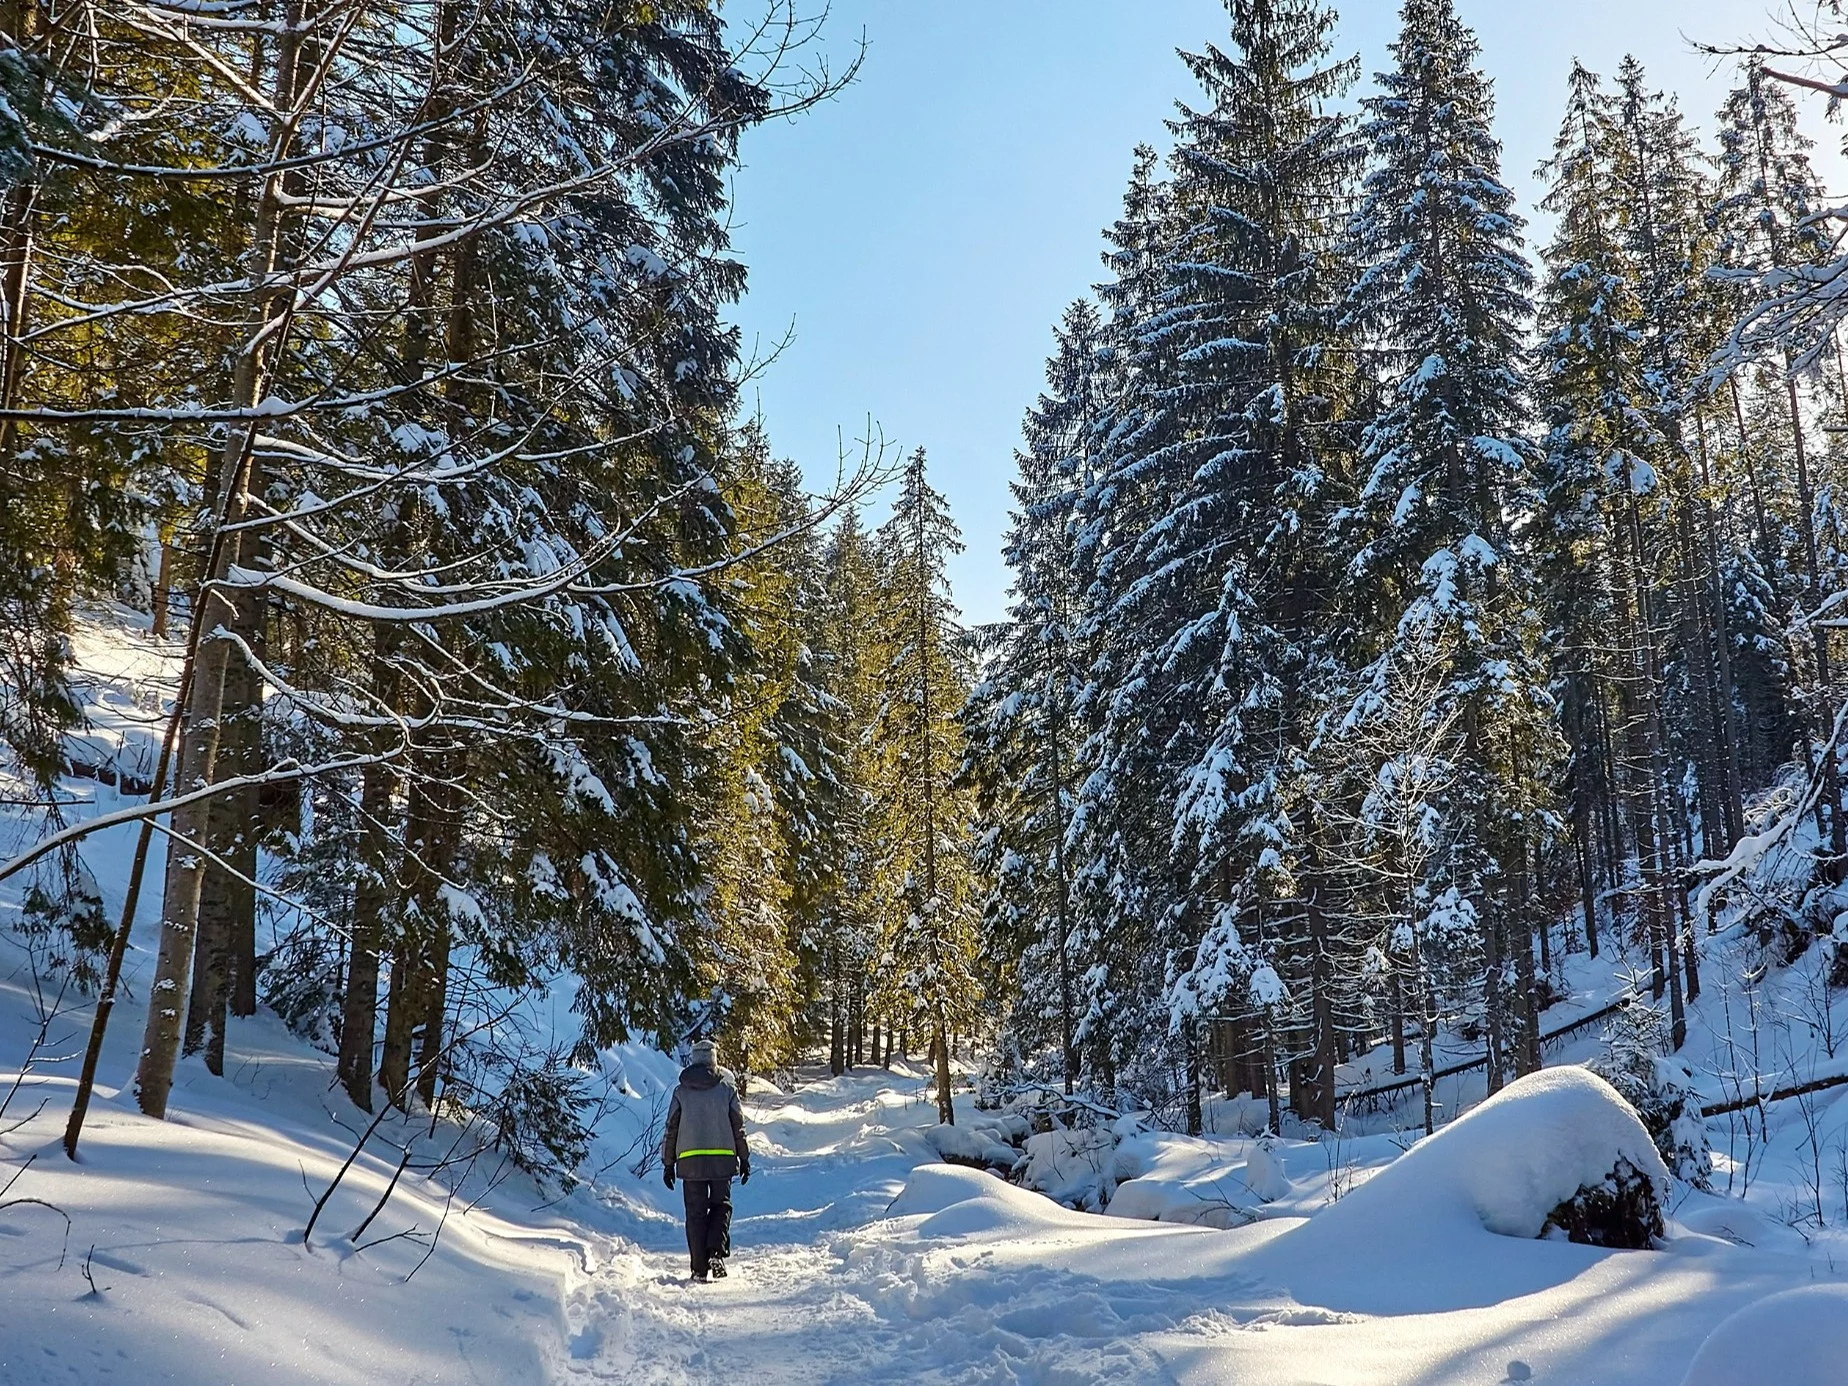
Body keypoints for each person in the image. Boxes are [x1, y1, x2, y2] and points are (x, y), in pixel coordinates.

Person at [661, 1037, 750, 1282]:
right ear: (714, 1059)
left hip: (690, 1163)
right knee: (721, 1206)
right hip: (722, 1160)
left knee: (696, 1213)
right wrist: (744, 1157)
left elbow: (672, 1128)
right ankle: (715, 1251)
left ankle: (699, 1268)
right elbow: (738, 1127)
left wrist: (668, 1163)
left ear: (693, 1059)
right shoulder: (727, 1090)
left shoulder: (681, 1092)